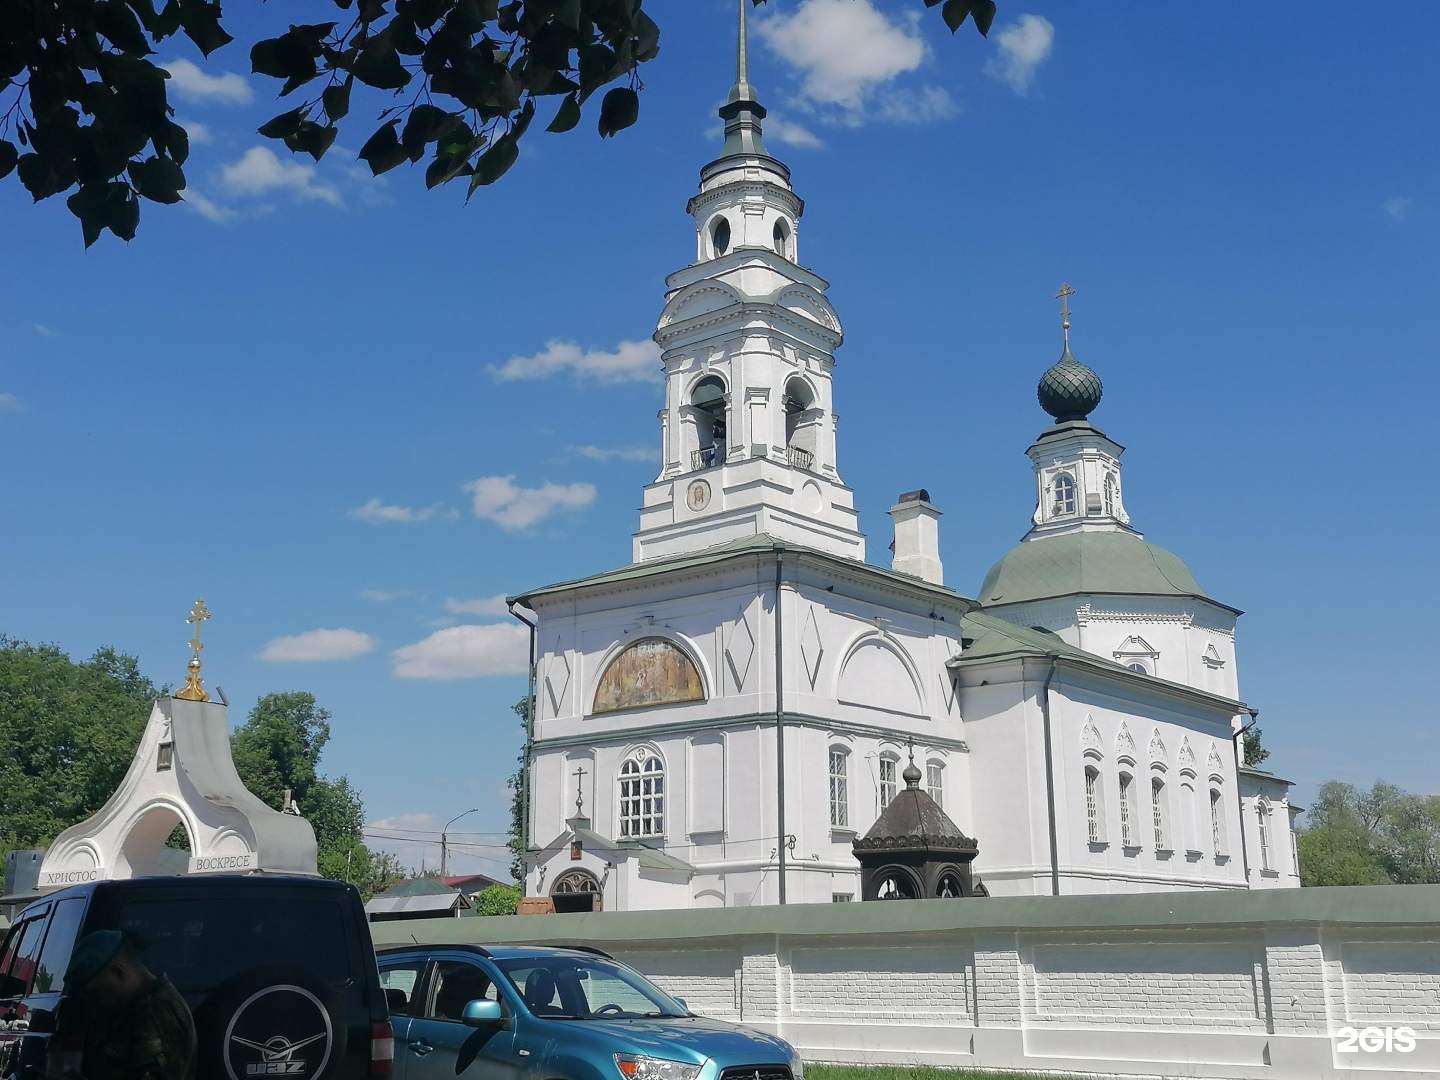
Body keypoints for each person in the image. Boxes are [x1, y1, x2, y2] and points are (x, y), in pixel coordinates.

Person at [60, 931, 196, 1080]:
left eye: (94, 992)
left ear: (119, 972)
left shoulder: (154, 1016)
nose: (92, 1002)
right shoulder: (135, 1010)